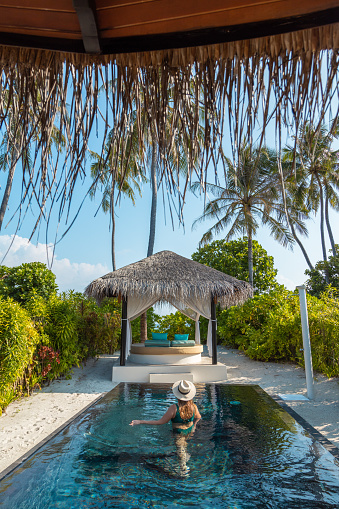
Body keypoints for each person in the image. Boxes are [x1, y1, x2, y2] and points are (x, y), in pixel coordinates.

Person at [129, 380, 201, 474]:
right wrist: (194, 427)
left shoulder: (174, 408)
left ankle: (183, 469)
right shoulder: (193, 406)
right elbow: (198, 417)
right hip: (190, 430)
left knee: (180, 448)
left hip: (179, 432)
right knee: (184, 446)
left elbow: (160, 422)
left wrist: (140, 421)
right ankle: (185, 459)